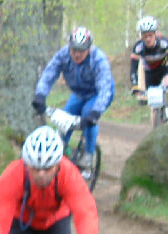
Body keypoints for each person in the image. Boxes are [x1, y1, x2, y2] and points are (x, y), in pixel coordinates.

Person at [31, 26, 115, 170]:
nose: (76, 54)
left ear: (89, 49)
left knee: (87, 117)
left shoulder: (98, 59)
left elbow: (105, 87)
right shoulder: (63, 55)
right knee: (64, 121)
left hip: (96, 94)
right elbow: (49, 74)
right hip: (78, 93)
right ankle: (59, 152)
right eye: (74, 50)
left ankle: (88, 155)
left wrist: (95, 112)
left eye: (81, 51)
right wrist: (40, 95)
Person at [130, 15, 168, 121]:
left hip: (164, 70)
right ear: (141, 36)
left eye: (150, 35)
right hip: (150, 73)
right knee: (153, 105)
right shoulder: (138, 47)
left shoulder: (165, 43)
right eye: (145, 36)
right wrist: (135, 86)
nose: (148, 39)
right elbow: (133, 69)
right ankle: (155, 129)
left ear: (156, 34)